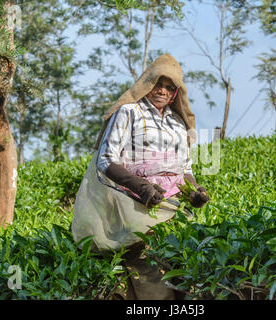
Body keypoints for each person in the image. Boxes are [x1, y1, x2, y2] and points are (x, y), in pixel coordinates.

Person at [71, 54, 209, 300]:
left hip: (174, 208)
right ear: (148, 83)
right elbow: (106, 160)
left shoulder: (178, 123)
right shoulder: (128, 112)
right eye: (158, 83)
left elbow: (185, 168)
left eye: (169, 87)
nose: (163, 91)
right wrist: (142, 188)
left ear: (175, 94)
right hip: (135, 206)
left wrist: (195, 191)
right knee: (148, 271)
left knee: (183, 274)